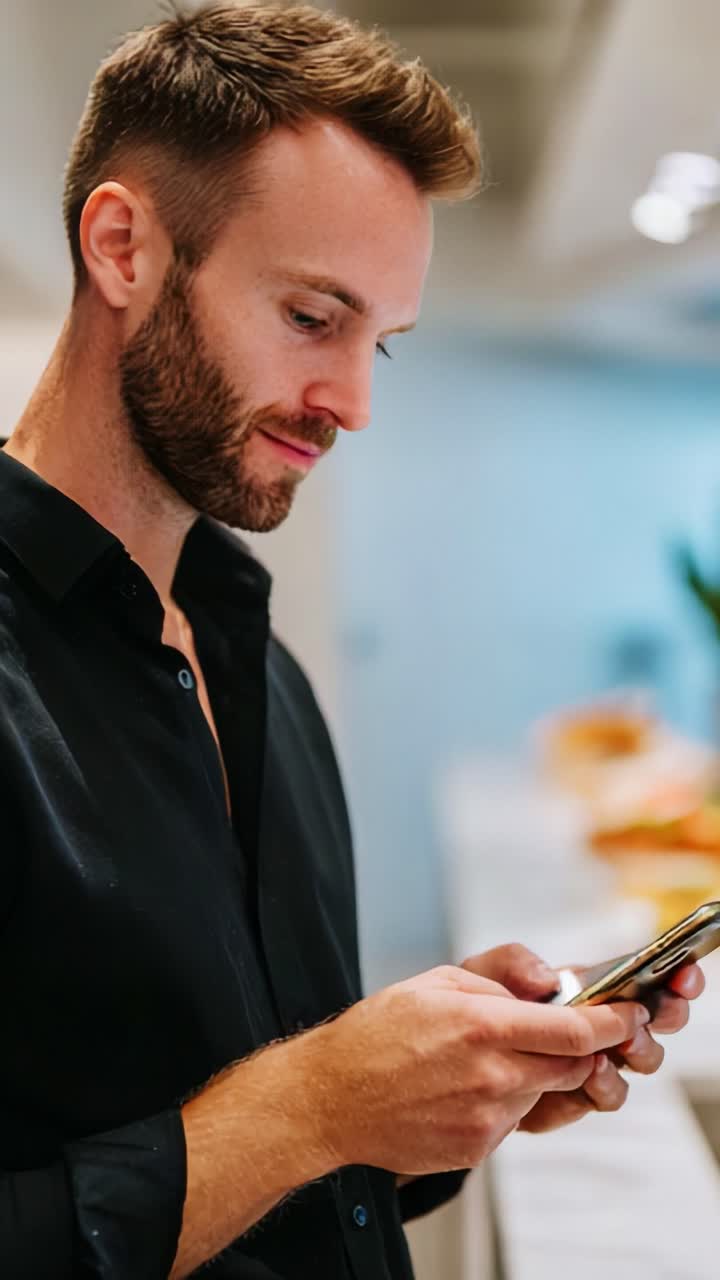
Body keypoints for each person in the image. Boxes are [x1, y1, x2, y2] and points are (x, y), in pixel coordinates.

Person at [0, 5, 701, 1278]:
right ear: (123, 247)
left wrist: (432, 1105)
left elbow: (270, 1172)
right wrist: (315, 1100)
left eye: (379, 341)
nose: (356, 404)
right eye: (313, 317)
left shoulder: (261, 665)